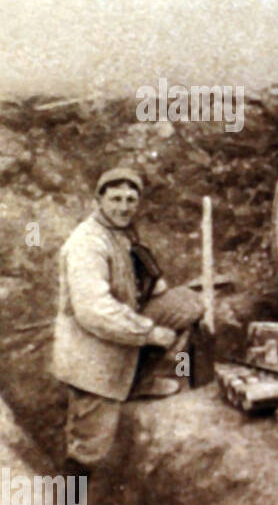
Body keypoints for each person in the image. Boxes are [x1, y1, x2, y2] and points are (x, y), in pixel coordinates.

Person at [50, 167, 204, 471]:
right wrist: (148, 332)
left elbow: (132, 271)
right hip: (91, 351)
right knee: (91, 443)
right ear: (98, 200)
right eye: (116, 199)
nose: (124, 207)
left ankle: (136, 382)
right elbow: (94, 311)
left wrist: (151, 283)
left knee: (188, 303)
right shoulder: (87, 243)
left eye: (130, 200)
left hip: (119, 333)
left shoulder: (119, 231)